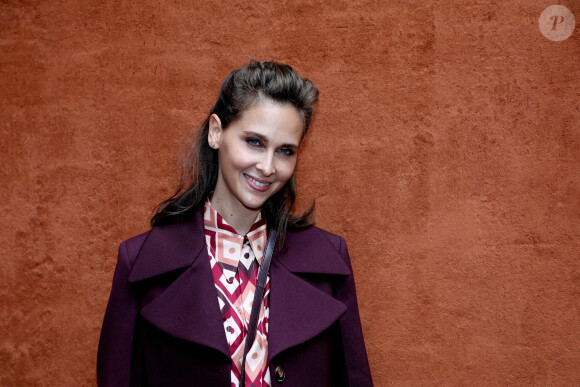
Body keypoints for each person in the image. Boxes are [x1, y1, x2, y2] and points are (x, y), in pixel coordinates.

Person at [97, 60, 373, 386]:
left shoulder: (328, 259)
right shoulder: (142, 262)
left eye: (285, 151)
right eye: (254, 142)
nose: (268, 166)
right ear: (216, 132)